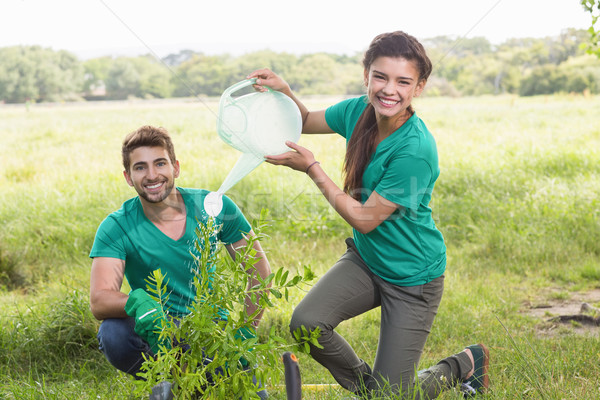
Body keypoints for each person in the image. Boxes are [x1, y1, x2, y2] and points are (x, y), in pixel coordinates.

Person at [247, 31, 489, 399]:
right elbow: (307, 120)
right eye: (381, 77)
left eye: (403, 81)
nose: (389, 89)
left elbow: (363, 218)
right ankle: (378, 391)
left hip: (412, 279)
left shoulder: (415, 149)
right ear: (367, 76)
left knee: (392, 395)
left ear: (418, 88)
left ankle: (461, 364)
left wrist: (313, 168)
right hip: (368, 260)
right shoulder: (359, 111)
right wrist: (286, 93)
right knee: (307, 324)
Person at [89, 125, 271, 398]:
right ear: (128, 177)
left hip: (210, 331)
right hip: (155, 332)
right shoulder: (117, 226)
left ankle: (195, 382)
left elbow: (259, 272)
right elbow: (99, 300)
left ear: (175, 167)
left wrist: (245, 331)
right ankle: (169, 378)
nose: (152, 175)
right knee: (113, 333)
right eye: (140, 167)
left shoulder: (214, 206)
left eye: (160, 163)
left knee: (251, 395)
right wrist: (137, 302)